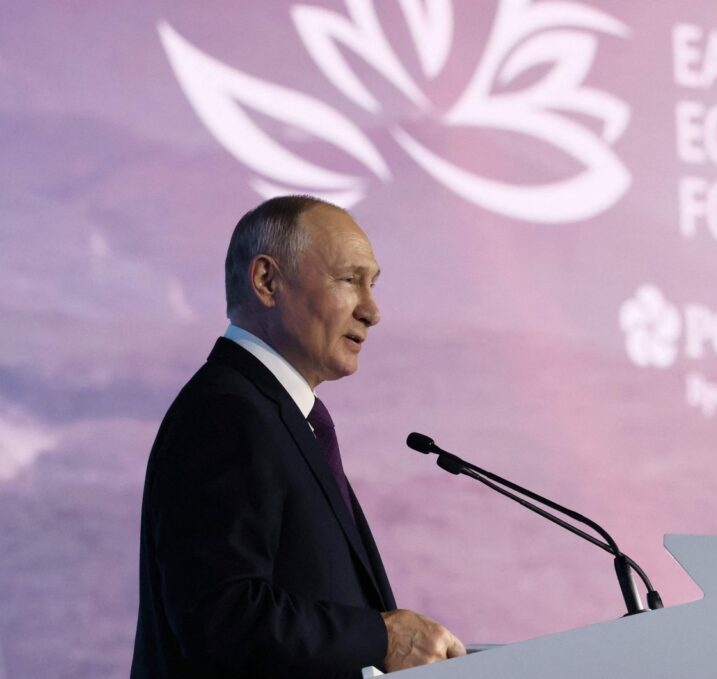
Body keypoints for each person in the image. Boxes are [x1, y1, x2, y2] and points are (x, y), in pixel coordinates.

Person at [130, 195, 465, 678]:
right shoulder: (226, 413)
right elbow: (222, 616)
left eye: (372, 285)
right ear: (267, 281)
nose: (372, 311)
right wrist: (382, 637)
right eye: (350, 280)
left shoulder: (278, 416)